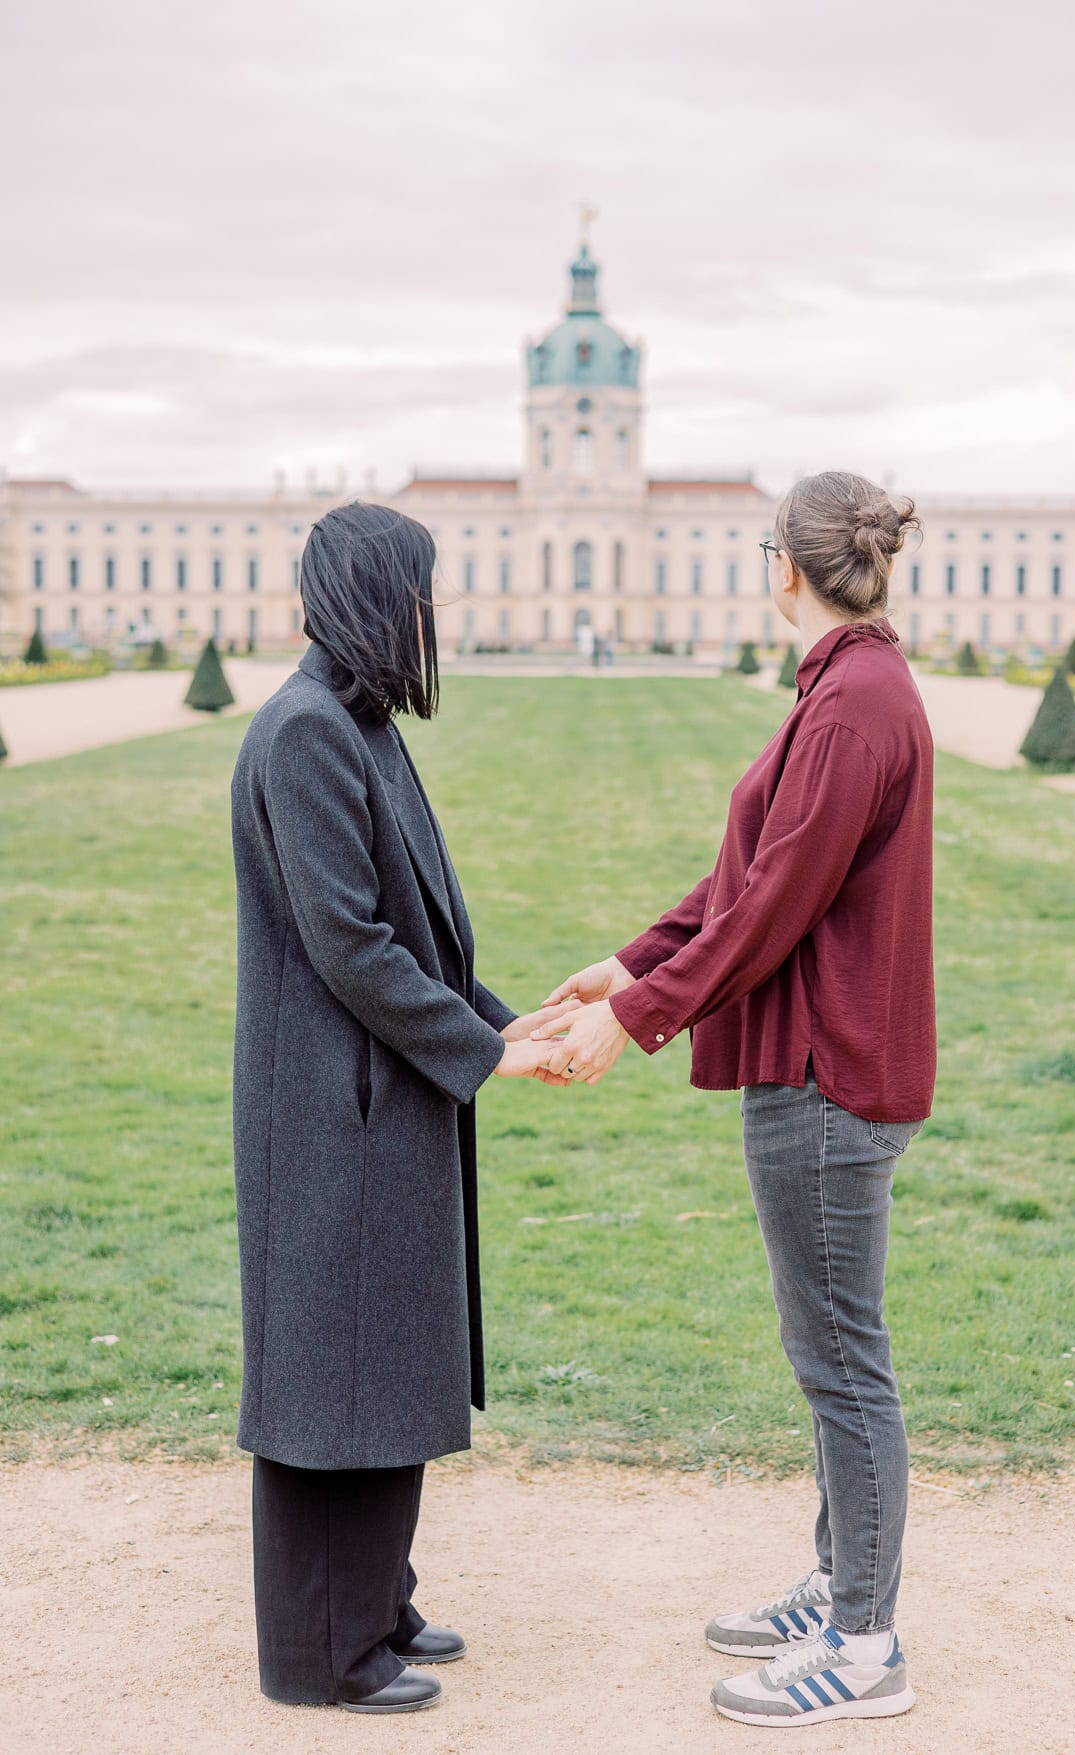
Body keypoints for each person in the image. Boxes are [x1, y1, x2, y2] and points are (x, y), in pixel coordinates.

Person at [535, 470, 935, 1727]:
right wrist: (635, 960)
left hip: (827, 1074)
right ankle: (838, 1584)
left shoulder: (852, 704)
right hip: (823, 1062)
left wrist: (632, 1019)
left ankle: (863, 1649)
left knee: (842, 1366)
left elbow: (772, 907)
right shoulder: (848, 688)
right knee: (829, 1355)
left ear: (784, 568)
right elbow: (752, 874)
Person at [231, 502, 571, 1714]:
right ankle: (325, 1655)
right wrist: (487, 1050)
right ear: (384, 597)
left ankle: (373, 1602)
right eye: (426, 591)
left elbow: (416, 929)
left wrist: (503, 1015)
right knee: (338, 1377)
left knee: (384, 1359)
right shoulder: (309, 732)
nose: (440, 614)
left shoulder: (355, 721)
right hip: (336, 1111)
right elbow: (354, 949)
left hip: (371, 1100)